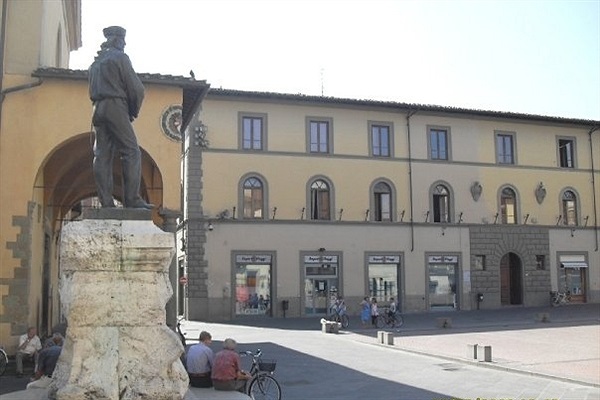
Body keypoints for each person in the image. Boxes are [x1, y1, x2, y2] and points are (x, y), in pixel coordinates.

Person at [88, 25, 153, 209]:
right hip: (115, 106)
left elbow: (91, 90)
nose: (124, 44)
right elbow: (137, 89)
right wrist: (132, 111)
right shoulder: (120, 58)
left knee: (101, 155)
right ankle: (132, 200)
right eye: (123, 41)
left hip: (97, 108)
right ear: (117, 40)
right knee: (131, 151)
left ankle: (106, 203)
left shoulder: (95, 64)